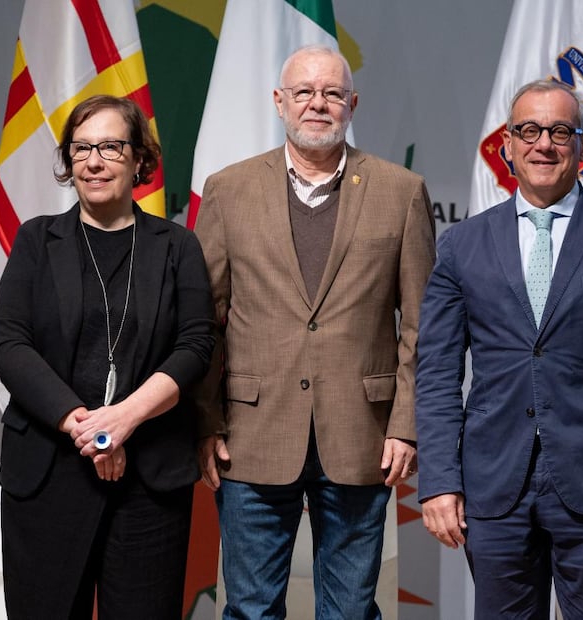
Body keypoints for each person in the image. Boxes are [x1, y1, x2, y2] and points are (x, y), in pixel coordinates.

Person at [415, 79, 583, 619]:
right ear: (507, 145)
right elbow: (437, 372)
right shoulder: (461, 245)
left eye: (561, 131)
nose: (544, 144)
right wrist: (438, 480)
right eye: (529, 130)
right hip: (493, 484)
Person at [193, 44, 436, 619]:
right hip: (250, 436)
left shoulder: (401, 192)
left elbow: (422, 325)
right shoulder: (228, 189)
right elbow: (204, 321)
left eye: (331, 93)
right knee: (250, 611)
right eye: (303, 92)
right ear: (280, 101)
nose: (317, 104)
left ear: (353, 103)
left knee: (349, 611)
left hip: (361, 435)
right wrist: (205, 422)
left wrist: (406, 425)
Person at [0, 94, 215, 619]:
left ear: (139, 160)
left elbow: (195, 345)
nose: (94, 161)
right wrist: (89, 429)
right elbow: (9, 342)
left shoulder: (177, 246)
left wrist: (124, 419)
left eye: (111, 147)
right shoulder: (35, 240)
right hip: (47, 471)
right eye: (81, 148)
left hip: (148, 480)